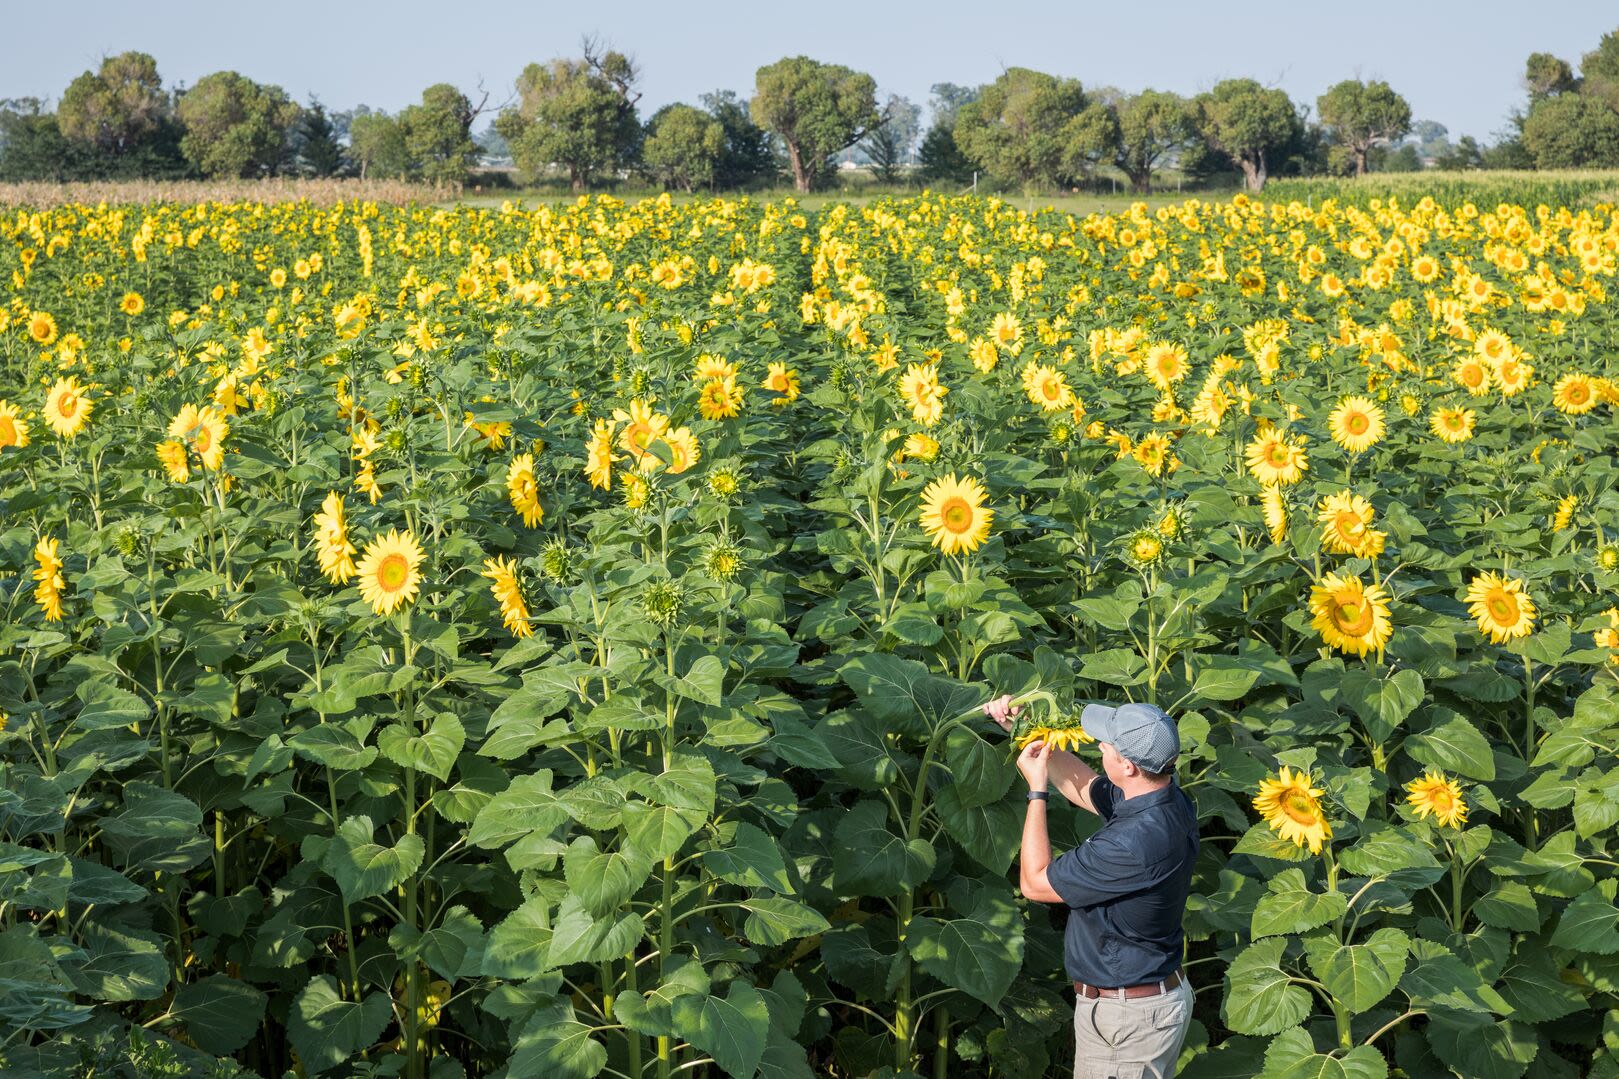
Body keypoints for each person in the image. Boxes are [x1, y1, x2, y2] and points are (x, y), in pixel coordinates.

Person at [982, 695, 1199, 1079]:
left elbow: (1035, 883)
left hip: (1128, 1021)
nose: (1099, 745)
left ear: (1128, 766)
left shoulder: (1132, 844)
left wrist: (1036, 791)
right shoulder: (1164, 798)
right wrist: (1024, 730)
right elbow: (1085, 786)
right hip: (1146, 1005)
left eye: (1107, 744)